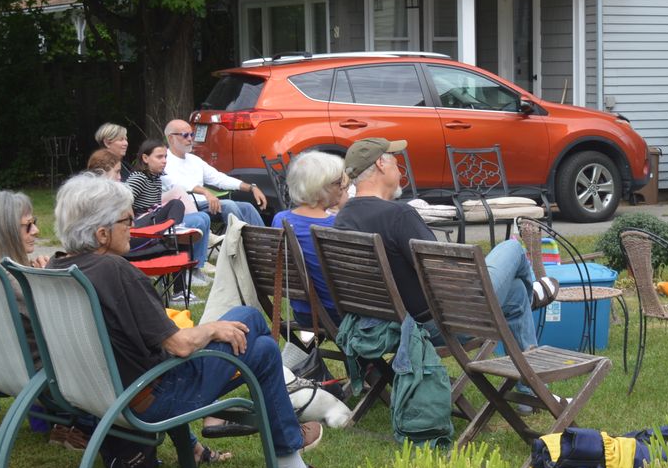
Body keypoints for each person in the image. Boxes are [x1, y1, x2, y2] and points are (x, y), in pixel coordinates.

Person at [48, 173, 349, 468]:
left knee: (259, 341)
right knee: (256, 333)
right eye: (127, 220)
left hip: (98, 394)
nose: (134, 226)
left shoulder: (56, 269)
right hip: (153, 398)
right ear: (102, 234)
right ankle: (289, 454)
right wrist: (213, 330)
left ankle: (288, 460)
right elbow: (178, 345)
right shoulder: (115, 272)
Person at [333, 137, 557, 353]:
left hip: (386, 324)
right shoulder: (399, 215)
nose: (400, 170)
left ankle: (528, 373)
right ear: (381, 163)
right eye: (395, 161)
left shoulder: (343, 219)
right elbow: (445, 274)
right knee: (512, 248)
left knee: (516, 292)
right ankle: (534, 294)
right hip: (440, 323)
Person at [270, 151, 347, 324]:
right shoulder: (337, 225)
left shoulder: (280, 219)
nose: (342, 187)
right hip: (339, 315)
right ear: (320, 188)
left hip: (303, 312)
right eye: (338, 182)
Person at [127, 139, 212, 283]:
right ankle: (175, 231)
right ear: (145, 158)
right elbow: (123, 198)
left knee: (200, 217)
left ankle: (192, 272)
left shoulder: (156, 178)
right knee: (183, 209)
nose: (164, 161)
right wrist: (131, 221)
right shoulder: (139, 177)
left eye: (165, 157)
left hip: (154, 220)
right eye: (159, 157)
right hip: (142, 225)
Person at [161, 119, 266, 230]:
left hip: (205, 203)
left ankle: (266, 240)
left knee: (247, 207)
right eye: (185, 135)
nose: (190, 139)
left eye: (192, 134)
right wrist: (205, 192)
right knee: (228, 205)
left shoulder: (194, 160)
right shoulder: (163, 161)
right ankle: (240, 240)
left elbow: (218, 178)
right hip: (187, 207)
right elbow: (177, 184)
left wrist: (251, 187)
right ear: (171, 138)